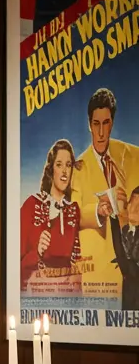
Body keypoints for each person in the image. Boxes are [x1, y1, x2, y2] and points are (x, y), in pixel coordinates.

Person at [71, 87, 139, 289]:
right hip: (99, 279)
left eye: (106, 123)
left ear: (113, 123)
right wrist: (97, 211)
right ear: (89, 125)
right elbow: (72, 214)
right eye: (96, 124)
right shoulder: (78, 167)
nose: (101, 132)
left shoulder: (134, 155)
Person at [20, 138, 81, 293]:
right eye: (59, 165)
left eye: (68, 165)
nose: (64, 172)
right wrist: (37, 251)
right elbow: (14, 261)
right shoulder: (32, 205)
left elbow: (76, 259)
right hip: (36, 292)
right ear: (51, 169)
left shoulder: (73, 210)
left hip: (66, 293)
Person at [109, 186, 139, 312]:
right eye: (133, 202)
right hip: (128, 302)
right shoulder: (121, 226)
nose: (135, 209)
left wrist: (125, 222)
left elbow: (134, 257)